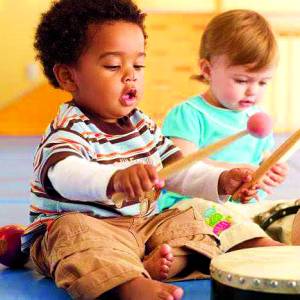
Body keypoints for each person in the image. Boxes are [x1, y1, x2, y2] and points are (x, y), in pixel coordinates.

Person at [20, 2, 282, 299]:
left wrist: (221, 181)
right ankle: (127, 284)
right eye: (113, 66)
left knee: (203, 211)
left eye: (139, 65)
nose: (130, 75)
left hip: (143, 226)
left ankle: (248, 245)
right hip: (89, 231)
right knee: (72, 232)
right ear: (69, 77)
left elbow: (178, 173)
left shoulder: (142, 125)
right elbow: (66, 174)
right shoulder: (68, 128)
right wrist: (115, 179)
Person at [159, 9, 288, 211]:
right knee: (234, 227)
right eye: (241, 80)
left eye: (263, 82)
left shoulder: (257, 117)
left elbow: (261, 158)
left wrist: (270, 169)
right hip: (191, 208)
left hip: (246, 208)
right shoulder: (188, 114)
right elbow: (178, 169)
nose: (252, 91)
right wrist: (232, 172)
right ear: (207, 70)